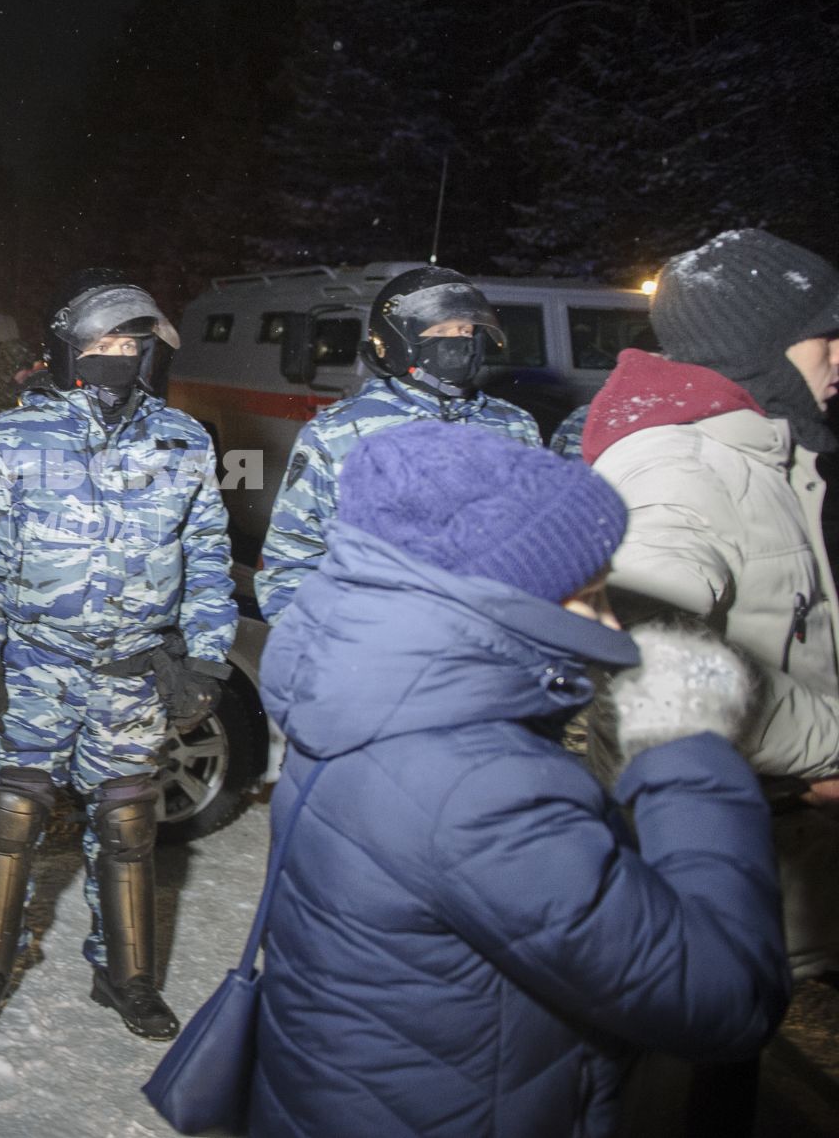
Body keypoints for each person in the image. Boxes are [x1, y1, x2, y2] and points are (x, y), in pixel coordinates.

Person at [244, 420, 790, 1138]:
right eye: (592, 596)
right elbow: (727, 998)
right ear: (508, 603)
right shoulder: (483, 788)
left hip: (350, 1089)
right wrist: (686, 748)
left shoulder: (358, 681)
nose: (610, 625)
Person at [580, 230, 839, 1135]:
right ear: (757, 346)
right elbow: (659, 670)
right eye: (823, 336)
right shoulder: (678, 470)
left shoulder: (761, 451)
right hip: (697, 865)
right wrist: (830, 743)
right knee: (676, 1091)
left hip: (754, 852)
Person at [0, 269, 236, 1040]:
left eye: (131, 343)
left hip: (132, 672)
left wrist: (206, 658)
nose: (117, 356)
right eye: (101, 342)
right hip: (36, 662)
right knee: (13, 813)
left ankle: (126, 974)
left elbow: (207, 554)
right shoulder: (11, 436)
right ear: (68, 350)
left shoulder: (183, 440)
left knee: (129, 822)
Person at [255, 266, 540, 622]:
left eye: (467, 330)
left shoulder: (514, 425)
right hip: (377, 642)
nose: (460, 340)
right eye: (443, 330)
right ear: (399, 340)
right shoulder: (340, 431)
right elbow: (293, 557)